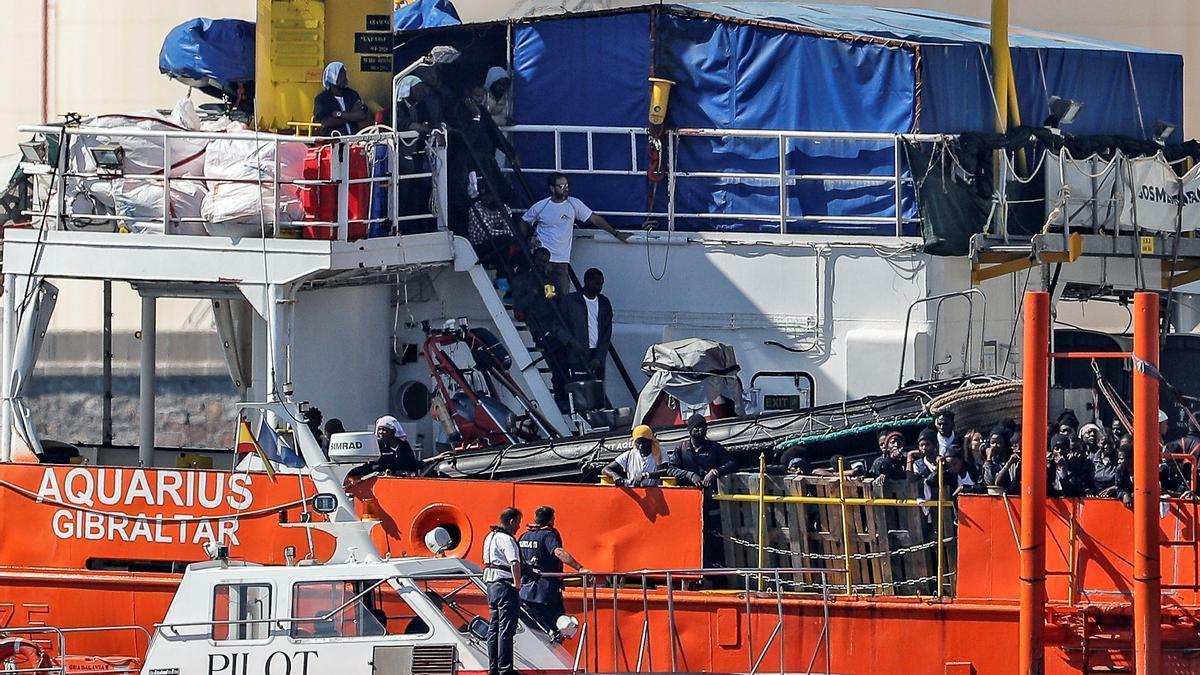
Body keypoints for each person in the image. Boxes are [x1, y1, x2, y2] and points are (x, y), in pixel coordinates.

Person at [521, 172, 631, 297]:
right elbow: (525, 220)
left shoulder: (574, 204)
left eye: (566, 185)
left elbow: (594, 218)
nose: (565, 189)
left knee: (561, 297)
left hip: (562, 262)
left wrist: (616, 233)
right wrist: (528, 240)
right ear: (552, 188)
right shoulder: (541, 206)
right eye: (561, 186)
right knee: (542, 296)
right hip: (543, 261)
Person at [518, 506, 587, 639]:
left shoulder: (524, 536)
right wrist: (579, 567)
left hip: (525, 593)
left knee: (534, 632)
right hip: (546, 592)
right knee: (559, 627)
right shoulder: (548, 535)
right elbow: (558, 552)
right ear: (550, 520)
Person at [483, 508, 523, 675]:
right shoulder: (506, 539)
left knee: (494, 628)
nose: (519, 527)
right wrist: (517, 583)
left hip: (491, 585)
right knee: (506, 629)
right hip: (505, 585)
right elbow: (514, 562)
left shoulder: (490, 537)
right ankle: (505, 669)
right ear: (512, 521)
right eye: (518, 522)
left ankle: (493, 668)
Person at [561, 268, 613, 384]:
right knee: (579, 391)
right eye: (596, 283)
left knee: (597, 392)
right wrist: (571, 342)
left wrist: (599, 358)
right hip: (577, 353)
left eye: (601, 284)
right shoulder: (570, 301)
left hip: (596, 355)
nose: (599, 287)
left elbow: (607, 333)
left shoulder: (604, 303)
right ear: (586, 281)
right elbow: (558, 326)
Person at [663, 414, 738, 488]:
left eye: (704, 426)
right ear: (690, 429)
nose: (701, 429)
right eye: (697, 426)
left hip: (711, 493)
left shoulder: (714, 447)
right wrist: (689, 475)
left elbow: (731, 464)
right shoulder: (681, 448)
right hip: (688, 492)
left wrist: (715, 472)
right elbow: (670, 469)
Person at [348, 416, 421, 478]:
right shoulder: (377, 446)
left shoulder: (404, 445)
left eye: (384, 429)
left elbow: (411, 463)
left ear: (393, 431)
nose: (380, 432)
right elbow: (374, 467)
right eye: (379, 429)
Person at [313, 61, 369, 136]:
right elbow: (326, 122)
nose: (345, 78)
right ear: (332, 77)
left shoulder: (352, 94)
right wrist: (352, 116)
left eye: (345, 74)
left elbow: (361, 115)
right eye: (341, 75)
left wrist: (338, 114)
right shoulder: (322, 99)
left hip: (354, 140)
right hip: (333, 142)